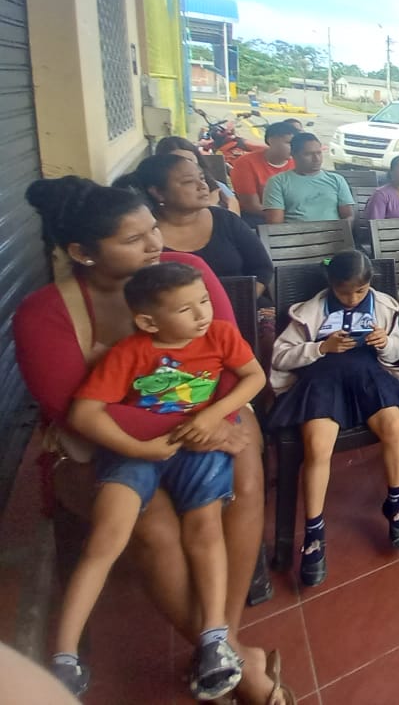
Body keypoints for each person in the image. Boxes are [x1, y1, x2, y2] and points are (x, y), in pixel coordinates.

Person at [14, 177, 290, 705]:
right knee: (154, 523)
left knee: (245, 472)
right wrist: (191, 428)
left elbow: (230, 362)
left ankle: (221, 642)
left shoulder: (187, 274)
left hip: (209, 415)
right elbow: (73, 411)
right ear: (83, 253)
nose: (154, 245)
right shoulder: (45, 313)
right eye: (133, 239)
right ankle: (237, 663)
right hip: (106, 448)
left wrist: (215, 421)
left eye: (153, 229)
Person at [52, 263, 265, 700]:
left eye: (203, 301)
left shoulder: (220, 336)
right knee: (107, 537)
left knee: (204, 529)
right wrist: (140, 448)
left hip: (199, 448)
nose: (202, 314)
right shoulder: (129, 353)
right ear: (149, 322)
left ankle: (215, 639)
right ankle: (64, 656)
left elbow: (254, 376)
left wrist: (211, 416)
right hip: (136, 452)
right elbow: (84, 414)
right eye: (186, 309)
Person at [268, 250, 399, 586]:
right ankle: (314, 531)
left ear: (369, 284)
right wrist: (321, 348)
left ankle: (395, 502)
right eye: (344, 292)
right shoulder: (311, 310)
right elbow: (279, 357)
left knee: (394, 426)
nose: (352, 299)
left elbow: (397, 351)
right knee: (317, 446)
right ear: (331, 285)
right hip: (322, 380)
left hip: (368, 376)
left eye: (360, 291)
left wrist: (384, 343)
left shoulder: (382, 305)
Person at [129, 153, 273, 298]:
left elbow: (262, 268)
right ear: (158, 192)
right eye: (188, 182)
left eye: (202, 178)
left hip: (244, 306)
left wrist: (244, 303)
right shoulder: (146, 236)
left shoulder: (226, 219)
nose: (202, 186)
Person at [261, 133, 355, 223]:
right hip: (295, 233)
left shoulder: (336, 180)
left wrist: (342, 231)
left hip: (334, 232)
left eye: (319, 153)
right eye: (308, 154)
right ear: (294, 155)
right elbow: (275, 224)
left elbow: (348, 216)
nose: (316, 159)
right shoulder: (278, 182)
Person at [155, 135, 243, 217]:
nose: (187, 166)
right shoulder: (164, 197)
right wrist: (211, 206)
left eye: (190, 161)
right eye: (179, 162)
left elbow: (234, 214)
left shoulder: (217, 186)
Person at [229, 121, 297, 223]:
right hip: (257, 217)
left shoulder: (298, 162)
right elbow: (251, 205)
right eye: (289, 143)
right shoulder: (246, 163)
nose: (295, 148)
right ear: (271, 140)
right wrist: (284, 216)